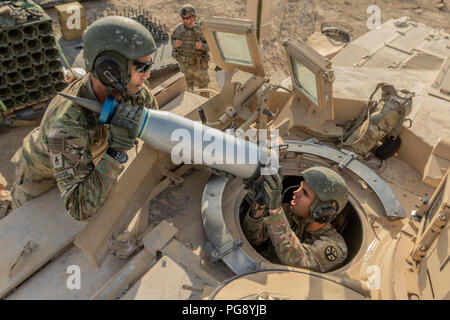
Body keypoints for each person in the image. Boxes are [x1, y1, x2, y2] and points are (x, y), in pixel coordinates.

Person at [10, 16, 158, 221]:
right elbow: (79, 207)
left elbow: (153, 117)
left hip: (83, 158)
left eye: (150, 66)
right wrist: (117, 152)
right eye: (142, 68)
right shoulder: (64, 127)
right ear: (110, 70)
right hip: (41, 182)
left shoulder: (129, 88)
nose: (148, 75)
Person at [243, 166, 349, 272]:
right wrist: (260, 205)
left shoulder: (335, 246)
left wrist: (275, 210)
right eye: (299, 187)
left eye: (304, 193)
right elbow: (253, 238)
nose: (296, 192)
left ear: (322, 210)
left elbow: (296, 260)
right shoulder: (287, 212)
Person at [171, 4, 210, 97]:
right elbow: (172, 40)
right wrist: (174, 43)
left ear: (193, 17)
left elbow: (211, 46)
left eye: (188, 18)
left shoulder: (201, 29)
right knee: (187, 90)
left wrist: (202, 46)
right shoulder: (178, 29)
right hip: (185, 66)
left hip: (199, 66)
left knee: (204, 89)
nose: (185, 20)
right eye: (183, 18)